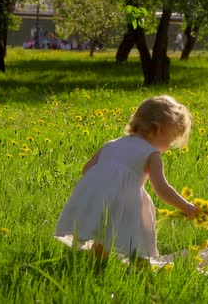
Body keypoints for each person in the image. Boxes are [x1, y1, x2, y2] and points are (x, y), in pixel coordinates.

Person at [55, 95, 198, 261]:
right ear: (156, 130)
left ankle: (95, 265)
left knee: (103, 236)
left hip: (97, 196)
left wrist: (104, 186)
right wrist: (186, 206)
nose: (168, 147)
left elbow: (87, 169)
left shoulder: (111, 144)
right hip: (124, 202)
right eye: (170, 139)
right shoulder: (151, 154)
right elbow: (161, 188)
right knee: (134, 242)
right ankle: (138, 267)